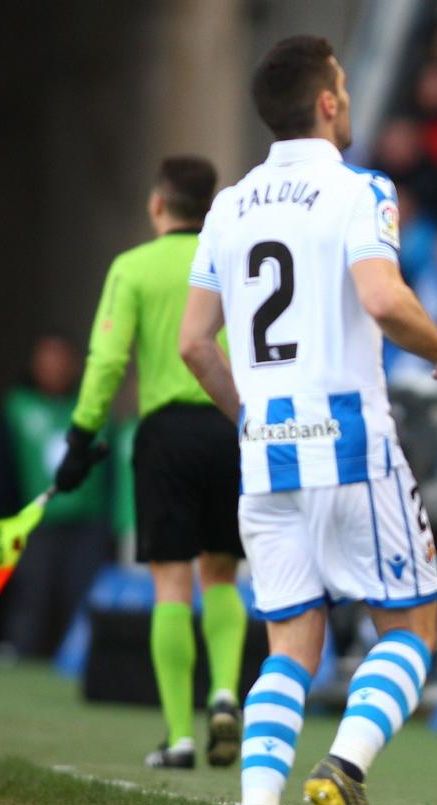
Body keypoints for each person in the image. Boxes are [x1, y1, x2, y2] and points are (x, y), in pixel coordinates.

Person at [177, 35, 437, 805]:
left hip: (266, 455)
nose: (346, 99)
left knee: (290, 650)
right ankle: (343, 770)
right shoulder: (360, 190)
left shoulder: (229, 206)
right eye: (341, 87)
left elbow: (194, 344)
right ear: (326, 104)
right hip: (349, 441)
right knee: (411, 627)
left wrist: (255, 418)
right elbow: (382, 298)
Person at [55, 156, 250, 769]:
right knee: (223, 574)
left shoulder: (133, 268)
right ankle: (224, 693)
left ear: (157, 205)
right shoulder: (232, 261)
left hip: (165, 432)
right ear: (212, 207)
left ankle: (179, 735)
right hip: (231, 422)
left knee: (171, 580)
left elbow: (108, 360)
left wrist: (82, 435)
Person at [0, 335, 115, 659]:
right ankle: (20, 654)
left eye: (61, 360)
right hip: (38, 519)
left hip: (87, 521)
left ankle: (79, 660)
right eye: (47, 361)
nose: (54, 368)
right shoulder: (17, 406)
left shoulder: (93, 407)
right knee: (32, 593)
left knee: (80, 594)